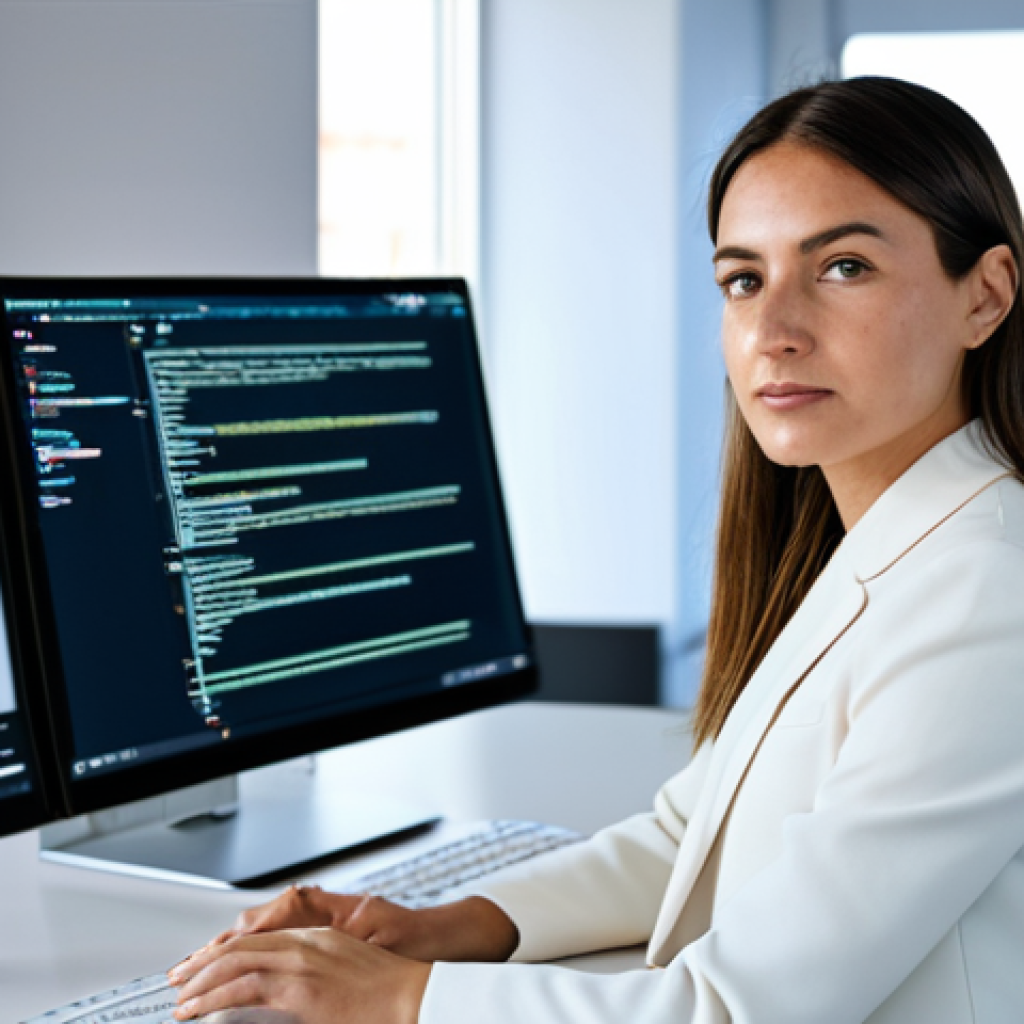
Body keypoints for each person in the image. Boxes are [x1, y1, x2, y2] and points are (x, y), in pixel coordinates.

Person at [168, 76, 1024, 1023]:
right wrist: (448, 925)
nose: (774, 332)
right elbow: (686, 834)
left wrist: (404, 998)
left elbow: (734, 1011)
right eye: (744, 280)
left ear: (984, 297)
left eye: (843, 268)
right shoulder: (890, 540)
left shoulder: (987, 592)